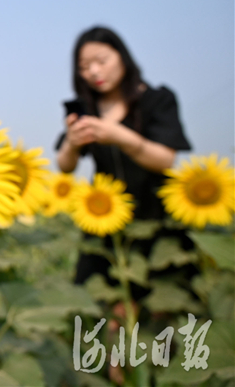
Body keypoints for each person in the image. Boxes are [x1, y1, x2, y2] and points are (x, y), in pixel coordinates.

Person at [55, 26, 193, 298]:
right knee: (99, 303)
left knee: (164, 301)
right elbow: (65, 165)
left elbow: (166, 159)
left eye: (101, 61)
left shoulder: (156, 100)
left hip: (155, 216)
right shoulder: (86, 110)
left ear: (122, 57)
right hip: (104, 218)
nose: (94, 72)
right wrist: (72, 140)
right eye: (84, 67)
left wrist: (123, 138)